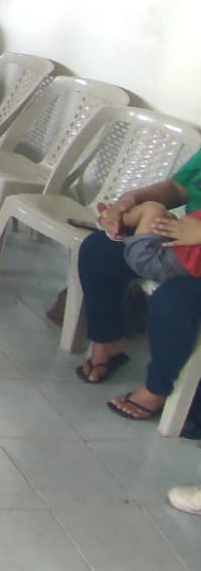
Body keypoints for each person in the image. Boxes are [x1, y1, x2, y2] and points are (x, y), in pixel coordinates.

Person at [74, 149, 201, 425]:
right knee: (99, 250)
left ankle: (158, 387)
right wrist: (130, 201)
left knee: (173, 300)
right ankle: (108, 342)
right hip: (186, 243)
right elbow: (176, 188)